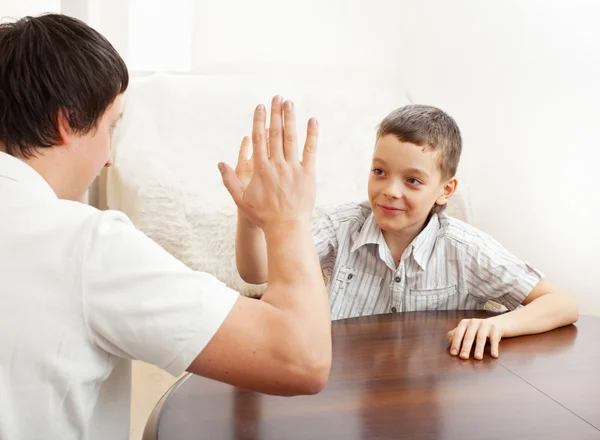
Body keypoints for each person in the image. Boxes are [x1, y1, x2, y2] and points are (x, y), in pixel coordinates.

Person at [0, 14, 331, 439]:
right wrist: (288, 217)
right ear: (67, 122)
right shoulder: (86, 246)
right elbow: (301, 359)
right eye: (110, 127)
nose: (108, 159)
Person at [236, 104, 579, 361]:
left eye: (412, 180)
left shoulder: (466, 248)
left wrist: (498, 325)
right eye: (380, 171)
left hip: (425, 395)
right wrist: (252, 215)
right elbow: (258, 271)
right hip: (342, 386)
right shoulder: (343, 227)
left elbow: (562, 304)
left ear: (445, 190)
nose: (390, 190)